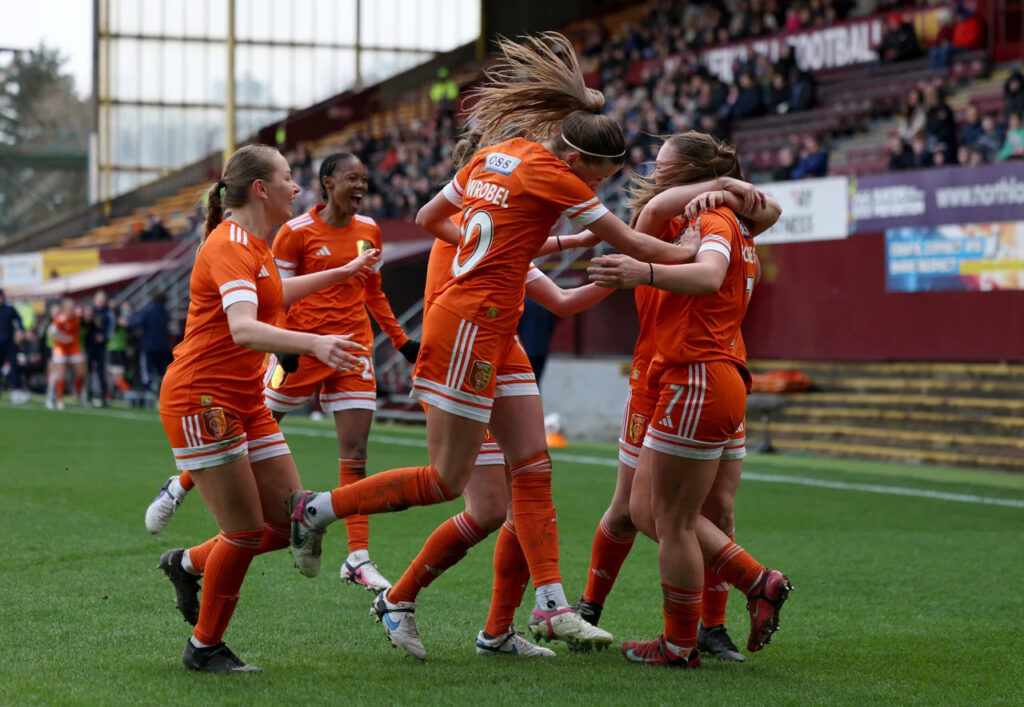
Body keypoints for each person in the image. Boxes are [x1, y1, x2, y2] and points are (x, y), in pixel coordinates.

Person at [286, 31, 693, 654]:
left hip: (492, 328)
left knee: (530, 466)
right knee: (450, 483)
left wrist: (504, 247)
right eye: (602, 175)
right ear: (580, 160)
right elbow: (635, 242)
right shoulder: (558, 179)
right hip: (469, 329)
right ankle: (319, 511)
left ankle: (545, 606)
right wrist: (696, 254)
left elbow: (430, 220)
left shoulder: (496, 159)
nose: (599, 185)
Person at [146, 153, 419, 593]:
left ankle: (357, 555)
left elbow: (280, 291)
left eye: (365, 178)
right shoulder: (267, 237)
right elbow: (250, 320)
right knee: (245, 524)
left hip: (337, 353)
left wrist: (355, 288)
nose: (296, 187)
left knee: (336, 469)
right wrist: (299, 344)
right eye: (288, 178)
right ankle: (181, 488)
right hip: (258, 371)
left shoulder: (356, 231)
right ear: (328, 183)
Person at [586, 132, 791, 668]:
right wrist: (726, 189)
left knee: (668, 515)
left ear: (689, 172)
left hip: (693, 374)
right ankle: (598, 611)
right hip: (689, 373)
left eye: (665, 166)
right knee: (654, 510)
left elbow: (708, 269)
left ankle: (709, 621)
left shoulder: (715, 220)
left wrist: (645, 270)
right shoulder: (701, 217)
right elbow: (659, 223)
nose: (654, 174)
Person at [47, 297, 86, 410]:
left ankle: (78, 394)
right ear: (64, 309)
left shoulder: (78, 316)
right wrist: (63, 338)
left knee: (82, 373)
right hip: (61, 348)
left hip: (74, 347)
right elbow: (51, 334)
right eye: (68, 309)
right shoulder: (60, 319)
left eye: (72, 308)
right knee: (60, 374)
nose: (71, 310)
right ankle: (58, 399)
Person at [132, 291, 172, 403]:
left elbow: (138, 323)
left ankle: (148, 394)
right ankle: (162, 395)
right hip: (162, 346)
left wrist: (128, 323)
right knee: (161, 371)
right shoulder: (165, 312)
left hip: (148, 346)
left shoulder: (148, 310)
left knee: (146, 371)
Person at [85, 290, 114, 406]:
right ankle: (87, 396)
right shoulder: (89, 312)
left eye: (102, 300)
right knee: (87, 372)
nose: (100, 302)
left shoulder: (108, 313)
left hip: (101, 347)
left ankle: (103, 397)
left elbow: (111, 329)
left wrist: (104, 337)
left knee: (101, 372)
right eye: (99, 300)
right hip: (89, 346)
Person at [0, 288, 26, 401]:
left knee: (14, 365)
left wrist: (21, 331)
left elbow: (19, 319)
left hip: (9, 343)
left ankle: (16, 390)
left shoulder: (9, 309)